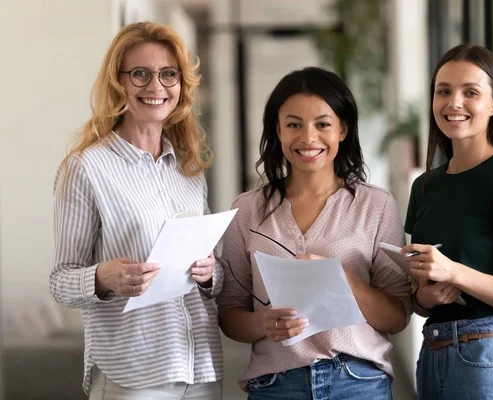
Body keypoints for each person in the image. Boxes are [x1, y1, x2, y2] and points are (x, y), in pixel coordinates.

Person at [49, 22, 223, 399]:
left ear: (181, 84)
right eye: (140, 74)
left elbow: (215, 275)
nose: (156, 87)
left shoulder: (189, 169)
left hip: (201, 371)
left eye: (168, 74)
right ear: (119, 83)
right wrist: (103, 277)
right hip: (133, 375)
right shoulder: (86, 168)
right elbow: (61, 281)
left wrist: (211, 274)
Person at [217, 66, 413, 400]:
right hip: (275, 386)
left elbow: (397, 317)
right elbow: (229, 313)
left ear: (342, 129)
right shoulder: (247, 210)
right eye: (294, 125)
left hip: (357, 383)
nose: (308, 138)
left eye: (322, 124)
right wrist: (264, 324)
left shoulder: (376, 205)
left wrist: (345, 282)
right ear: (278, 130)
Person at [403, 44, 493, 399]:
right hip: (433, 358)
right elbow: (418, 300)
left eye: (470, 92)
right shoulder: (425, 187)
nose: (454, 103)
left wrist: (454, 272)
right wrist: (425, 295)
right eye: (444, 91)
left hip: (488, 359)